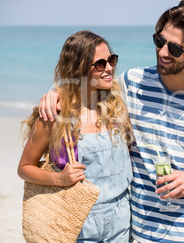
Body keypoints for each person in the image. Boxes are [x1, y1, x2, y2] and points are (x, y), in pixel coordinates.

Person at [39, 0, 184, 243]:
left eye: (175, 48)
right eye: (159, 41)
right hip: (140, 233)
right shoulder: (134, 82)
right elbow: (90, 90)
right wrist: (58, 93)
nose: (162, 52)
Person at [18, 30, 133, 242]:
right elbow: (24, 168)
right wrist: (58, 178)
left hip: (121, 223)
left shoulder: (117, 106)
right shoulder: (55, 116)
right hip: (77, 224)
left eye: (111, 60)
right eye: (100, 63)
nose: (109, 68)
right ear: (79, 68)